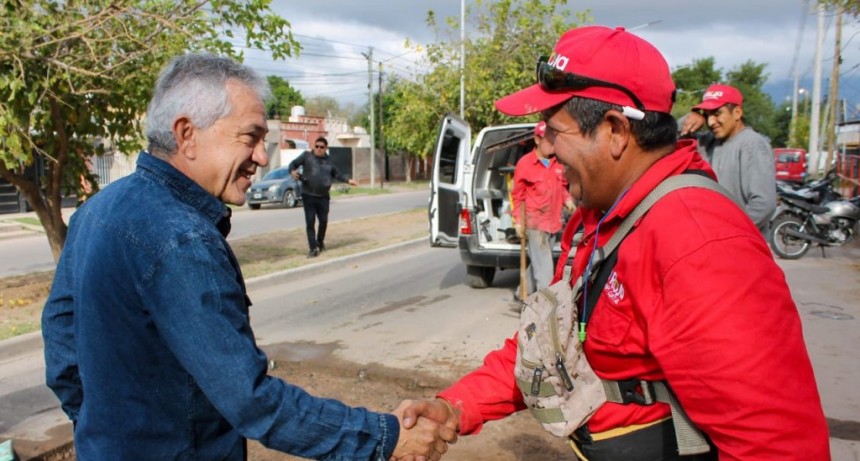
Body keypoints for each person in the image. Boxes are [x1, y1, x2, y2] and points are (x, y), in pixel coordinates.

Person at [401, 25, 829, 460]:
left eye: (554, 131)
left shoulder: (698, 242)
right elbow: (552, 344)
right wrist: (454, 408)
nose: (544, 148)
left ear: (616, 130)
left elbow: (776, 444)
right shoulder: (600, 215)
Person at [41, 53, 456, 461]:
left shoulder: (98, 208)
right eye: (250, 137)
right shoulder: (182, 240)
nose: (261, 156)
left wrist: (104, 433)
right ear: (186, 135)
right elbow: (253, 401)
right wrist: (384, 438)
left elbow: (62, 354)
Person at [679, 84, 776, 233]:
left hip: (741, 246)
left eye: (717, 113)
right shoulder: (708, 142)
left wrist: (727, 233)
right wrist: (689, 119)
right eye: (706, 115)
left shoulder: (752, 144)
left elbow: (763, 204)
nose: (711, 122)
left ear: (737, 112)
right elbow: (669, 140)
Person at [511, 120, 574, 297]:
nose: (552, 145)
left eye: (553, 140)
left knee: (538, 264)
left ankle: (521, 293)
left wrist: (567, 200)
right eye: (548, 140)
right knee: (545, 271)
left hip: (553, 222)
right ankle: (544, 309)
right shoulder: (525, 164)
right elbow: (518, 195)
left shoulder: (557, 163)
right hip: (535, 224)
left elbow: (562, 187)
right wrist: (517, 221)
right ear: (537, 140)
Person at [288, 136, 359, 258]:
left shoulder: (329, 161)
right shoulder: (306, 156)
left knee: (323, 221)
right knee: (310, 222)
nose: (319, 149)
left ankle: (320, 242)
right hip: (308, 196)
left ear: (326, 148)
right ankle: (312, 248)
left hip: (323, 197)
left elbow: (337, 174)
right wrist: (292, 171)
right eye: (317, 146)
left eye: (322, 147)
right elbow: (293, 164)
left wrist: (348, 180)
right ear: (314, 146)